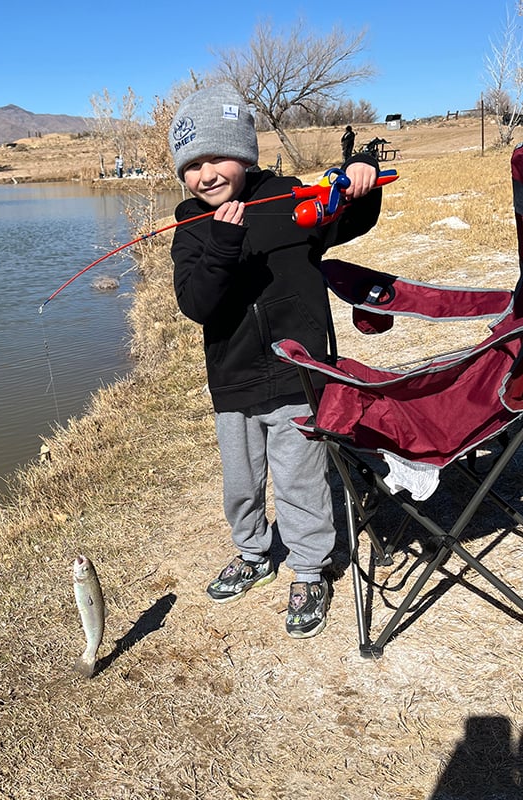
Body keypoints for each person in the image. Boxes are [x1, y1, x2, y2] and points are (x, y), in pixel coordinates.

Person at [168, 84, 381, 638]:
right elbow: (197, 304)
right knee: (242, 483)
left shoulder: (287, 198)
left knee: (300, 479)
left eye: (217, 158)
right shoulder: (189, 228)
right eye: (192, 166)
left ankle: (310, 569)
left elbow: (347, 220)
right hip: (233, 382)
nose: (206, 175)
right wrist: (220, 243)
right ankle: (255, 552)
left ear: (243, 154)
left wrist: (360, 177)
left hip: (297, 375)